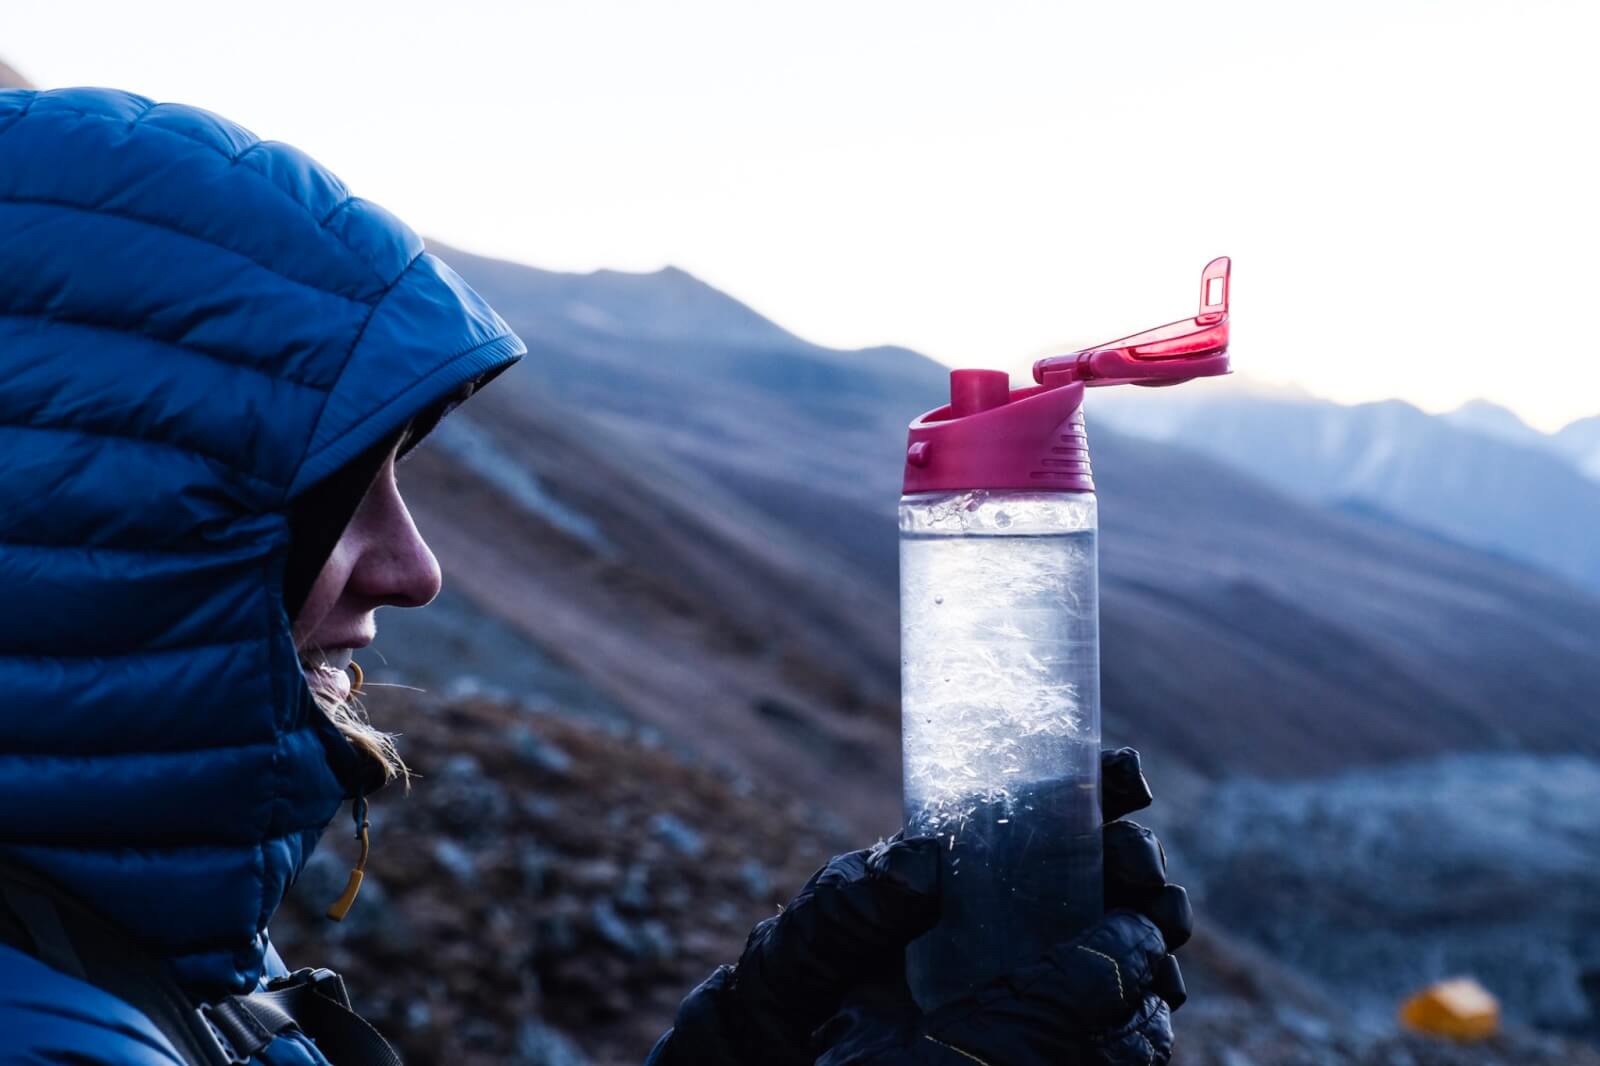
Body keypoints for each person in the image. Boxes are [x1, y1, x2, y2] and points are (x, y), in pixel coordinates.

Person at [0, 87, 1189, 1065]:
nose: (416, 570)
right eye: (332, 500)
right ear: (84, 532)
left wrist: (751, 1045)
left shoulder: (131, 958)